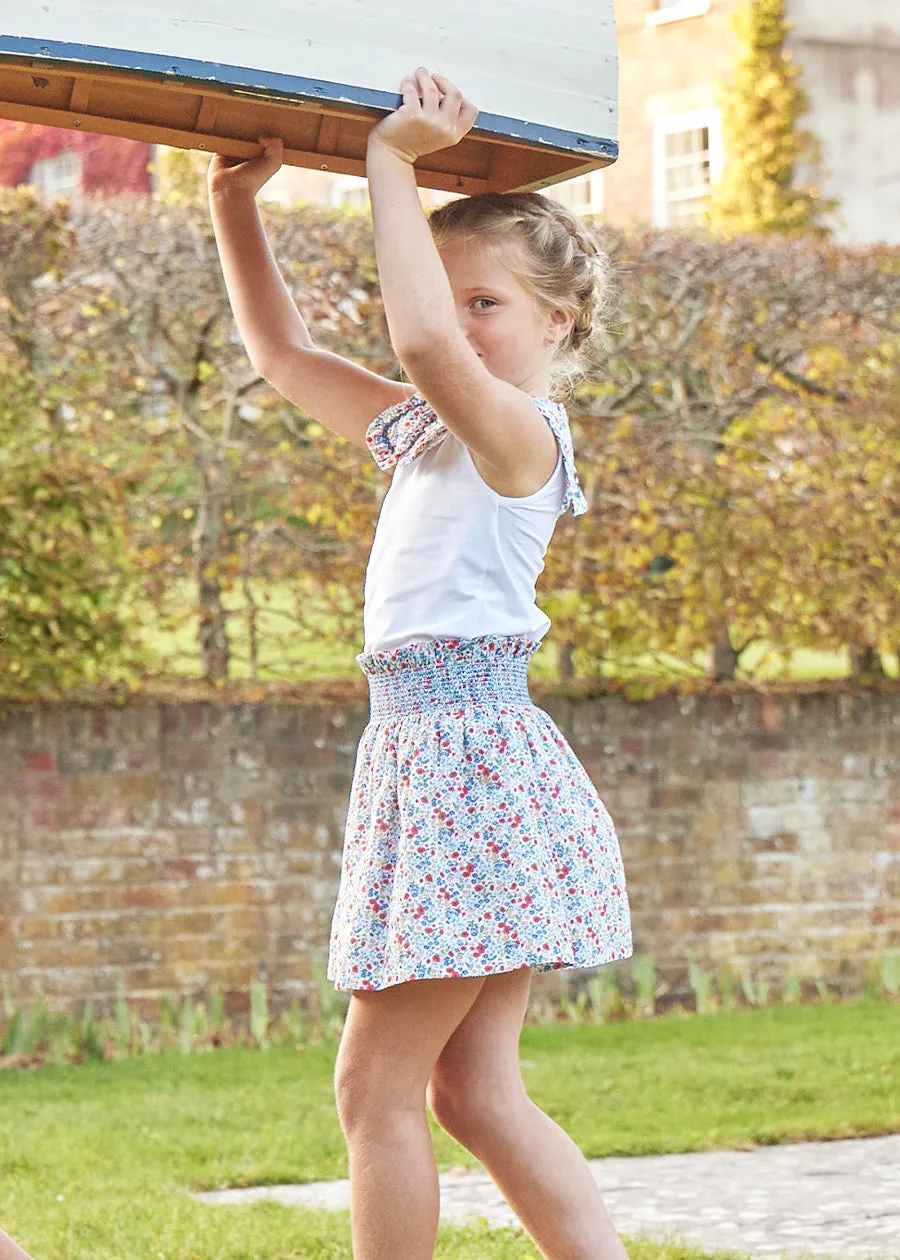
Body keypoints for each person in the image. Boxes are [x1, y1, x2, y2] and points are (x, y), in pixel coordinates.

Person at [208, 66, 632, 1260]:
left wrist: (388, 163)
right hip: (446, 761)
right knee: (471, 1095)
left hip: (467, 770)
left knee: (375, 1093)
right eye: (449, 299)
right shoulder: (430, 437)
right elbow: (287, 356)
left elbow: (415, 337)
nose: (455, 324)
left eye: (484, 303)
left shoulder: (520, 438)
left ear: (558, 320)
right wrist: (238, 204)